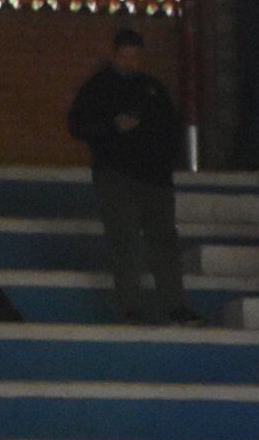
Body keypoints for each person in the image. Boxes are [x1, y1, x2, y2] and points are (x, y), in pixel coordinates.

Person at [69, 21, 189, 325]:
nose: (132, 62)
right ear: (115, 55)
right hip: (116, 174)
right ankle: (130, 306)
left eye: (137, 56)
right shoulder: (98, 87)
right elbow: (77, 125)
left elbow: (172, 129)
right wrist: (112, 127)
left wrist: (165, 161)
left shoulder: (153, 89)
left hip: (155, 178)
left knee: (164, 240)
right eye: (126, 55)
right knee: (124, 240)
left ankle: (174, 304)